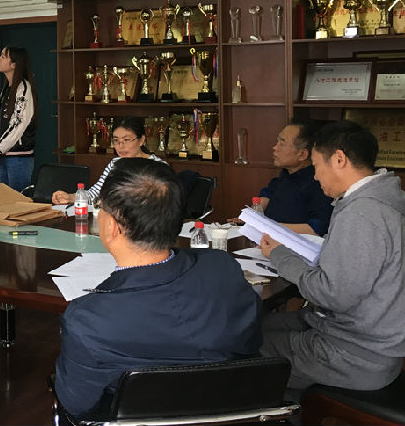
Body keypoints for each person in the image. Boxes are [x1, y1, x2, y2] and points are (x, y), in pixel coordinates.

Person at [54, 158, 262, 420]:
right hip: (235, 410)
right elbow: (252, 339)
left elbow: (76, 403)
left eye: (100, 207)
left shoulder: (86, 320)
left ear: (112, 226)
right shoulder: (223, 267)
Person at [259, 120, 405, 392]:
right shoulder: (380, 198)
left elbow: (331, 294)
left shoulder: (363, 212)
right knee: (258, 325)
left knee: (247, 347)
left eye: (316, 166)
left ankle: (287, 408)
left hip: (357, 355)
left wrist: (281, 255)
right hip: (363, 337)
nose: (315, 177)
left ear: (339, 159)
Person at [229, 118, 333, 236]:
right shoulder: (287, 173)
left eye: (282, 143)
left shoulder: (319, 183)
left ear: (302, 154)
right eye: (277, 141)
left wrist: (268, 226)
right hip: (266, 238)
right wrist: (252, 215)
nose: (275, 147)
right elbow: (269, 192)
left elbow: (317, 229)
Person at [51, 116, 165, 205]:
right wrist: (70, 197)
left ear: (141, 140)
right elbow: (95, 194)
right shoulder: (115, 164)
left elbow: (162, 205)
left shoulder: (159, 167)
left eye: (126, 140)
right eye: (116, 140)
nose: (121, 146)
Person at [0, 46, 37, 192]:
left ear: (14, 64)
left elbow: (18, 124)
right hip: (3, 155)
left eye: (3, 56)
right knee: (5, 200)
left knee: (18, 200)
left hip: (19, 158)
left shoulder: (23, 88)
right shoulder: (6, 88)